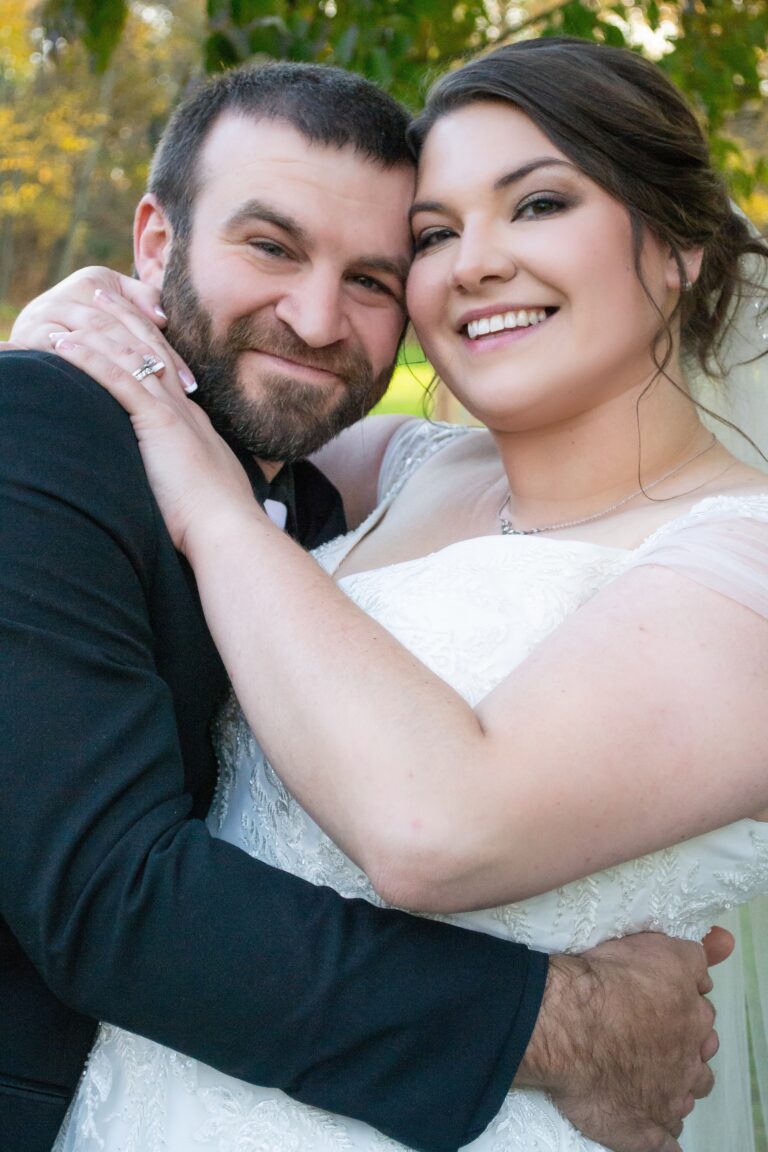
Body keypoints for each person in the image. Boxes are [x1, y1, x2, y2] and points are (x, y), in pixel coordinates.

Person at [16, 36, 768, 1152]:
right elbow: (224, 381)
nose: (473, 264)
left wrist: (206, 499)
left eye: (540, 203)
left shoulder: (742, 559)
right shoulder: (408, 467)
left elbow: (432, 828)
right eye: (434, 235)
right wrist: (81, 321)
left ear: (682, 249)